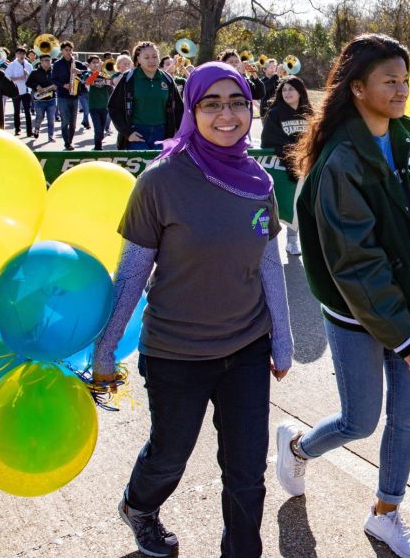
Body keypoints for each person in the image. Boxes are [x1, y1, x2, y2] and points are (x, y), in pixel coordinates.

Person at [91, 61, 293, 557]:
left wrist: (283, 338)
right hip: (175, 354)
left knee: (247, 471)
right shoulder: (160, 181)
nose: (227, 115)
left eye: (237, 102)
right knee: (169, 457)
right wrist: (105, 349)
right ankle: (139, 506)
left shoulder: (258, 182)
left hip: (247, 349)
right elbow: (131, 274)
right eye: (212, 104)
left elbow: (269, 263)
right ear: (191, 110)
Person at [274, 34, 410, 558]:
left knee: (407, 417)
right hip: (358, 313)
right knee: (360, 420)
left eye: (405, 80)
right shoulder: (340, 161)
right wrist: (402, 337)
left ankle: (385, 513)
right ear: (357, 88)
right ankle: (298, 447)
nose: (401, 90)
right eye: (389, 81)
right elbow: (356, 263)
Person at [260, 75, 312, 255]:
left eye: (291, 89)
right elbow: (268, 140)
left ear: (300, 91)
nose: (287, 93)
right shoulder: (275, 113)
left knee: (300, 203)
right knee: (283, 204)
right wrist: (292, 154)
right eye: (284, 90)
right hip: (283, 166)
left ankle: (292, 241)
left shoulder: (309, 113)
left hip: (305, 165)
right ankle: (270, 242)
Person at [108, 41, 183, 150]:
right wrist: (127, 133)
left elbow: (179, 109)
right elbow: (113, 107)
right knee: (141, 162)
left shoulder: (167, 79)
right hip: (137, 133)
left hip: (162, 134)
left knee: (159, 162)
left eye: (154, 56)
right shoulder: (128, 78)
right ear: (138, 59)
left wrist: (181, 134)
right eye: (146, 57)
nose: (151, 60)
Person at [51, 41, 87, 150]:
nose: (68, 52)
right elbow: (53, 79)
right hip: (62, 96)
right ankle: (67, 143)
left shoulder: (77, 63)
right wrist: (63, 85)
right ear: (61, 51)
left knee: (73, 123)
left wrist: (79, 72)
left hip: (75, 95)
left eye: (70, 50)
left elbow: (87, 73)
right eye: (66, 50)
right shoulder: (57, 64)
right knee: (65, 121)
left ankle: (70, 142)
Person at [26, 53, 57, 142]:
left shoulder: (54, 72)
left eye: (49, 60)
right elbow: (28, 83)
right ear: (41, 62)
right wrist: (36, 86)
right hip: (39, 100)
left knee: (51, 119)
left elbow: (58, 82)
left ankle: (50, 136)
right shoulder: (35, 72)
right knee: (40, 117)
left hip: (52, 99)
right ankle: (36, 129)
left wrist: (56, 86)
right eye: (45, 60)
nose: (48, 62)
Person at [85, 55, 113, 150]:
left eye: (98, 62)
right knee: (98, 129)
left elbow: (111, 81)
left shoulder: (104, 74)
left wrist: (103, 72)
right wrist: (97, 71)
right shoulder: (87, 74)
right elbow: (88, 82)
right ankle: (98, 147)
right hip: (93, 106)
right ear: (89, 65)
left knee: (101, 130)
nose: (96, 64)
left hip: (104, 106)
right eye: (94, 62)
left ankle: (99, 144)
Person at [4, 46, 33, 137]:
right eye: (19, 53)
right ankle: (17, 129)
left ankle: (29, 131)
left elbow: (32, 78)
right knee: (16, 111)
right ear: (16, 54)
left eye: (23, 53)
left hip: (26, 91)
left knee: (27, 111)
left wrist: (28, 76)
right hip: (15, 90)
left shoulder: (28, 65)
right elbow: (7, 78)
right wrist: (20, 78)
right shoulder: (12, 65)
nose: (22, 55)